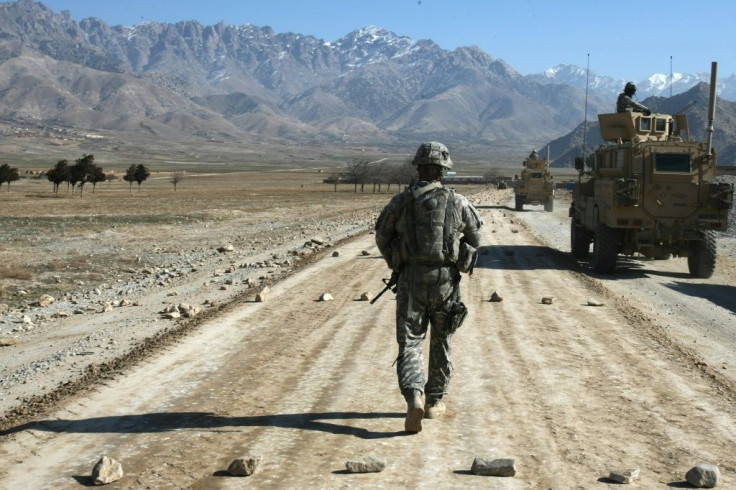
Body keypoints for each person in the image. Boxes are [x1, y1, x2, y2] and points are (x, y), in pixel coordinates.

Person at [375, 141, 483, 433]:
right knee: (442, 339)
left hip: (411, 279)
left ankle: (414, 396)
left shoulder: (400, 202)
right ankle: (435, 401)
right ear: (443, 172)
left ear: (419, 168)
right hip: (446, 281)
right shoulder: (459, 202)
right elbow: (475, 237)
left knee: (410, 342)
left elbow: (382, 236)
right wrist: (463, 262)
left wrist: (396, 262)